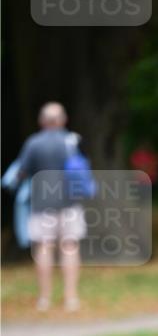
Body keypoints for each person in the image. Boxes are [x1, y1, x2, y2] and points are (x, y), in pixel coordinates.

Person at [16, 102, 88, 312]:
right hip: (70, 202)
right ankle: (71, 298)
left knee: (44, 247)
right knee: (70, 247)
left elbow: (22, 172)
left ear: (41, 121)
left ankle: (44, 299)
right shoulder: (73, 140)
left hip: (41, 204)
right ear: (63, 120)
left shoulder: (34, 143)